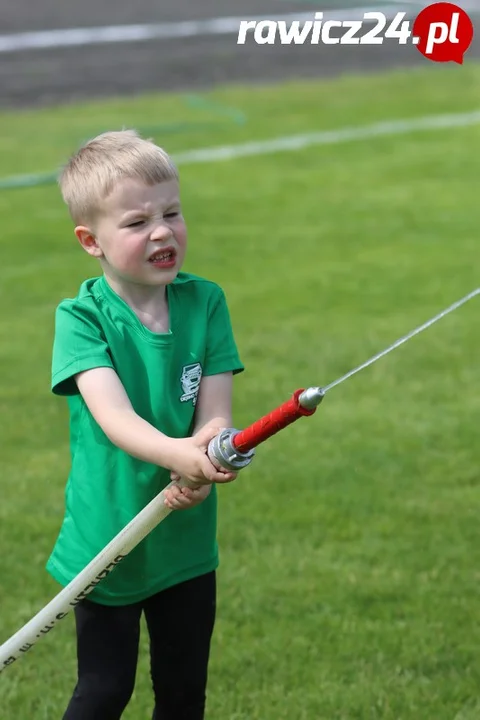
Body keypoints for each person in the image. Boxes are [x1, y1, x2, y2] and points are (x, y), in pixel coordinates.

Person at [47, 129, 246, 719]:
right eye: (136, 223)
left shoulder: (205, 302)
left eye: (172, 213)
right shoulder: (81, 318)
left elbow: (214, 412)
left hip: (184, 541)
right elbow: (115, 418)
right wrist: (179, 456)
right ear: (92, 241)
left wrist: (210, 450)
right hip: (112, 537)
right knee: (106, 691)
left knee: (184, 694)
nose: (162, 231)